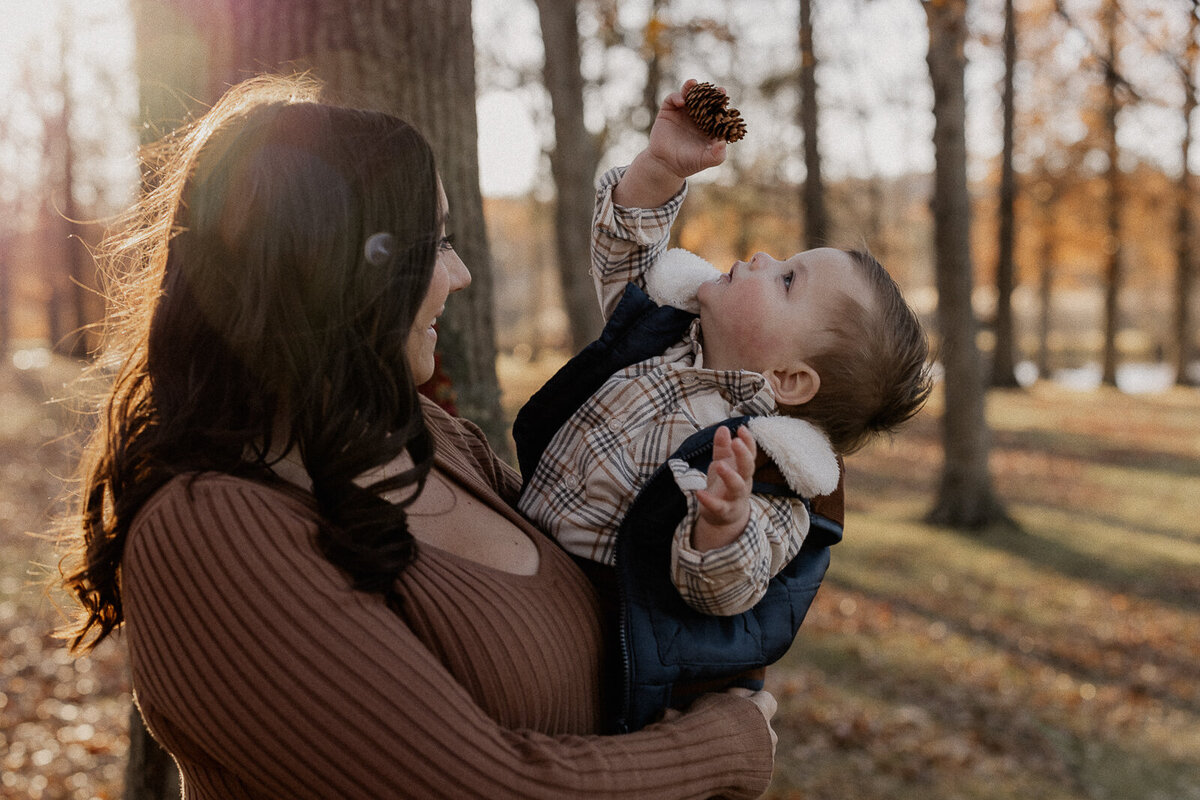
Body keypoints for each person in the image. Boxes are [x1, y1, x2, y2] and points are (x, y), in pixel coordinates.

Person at [56, 74, 777, 799]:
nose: (460, 275)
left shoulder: (431, 438)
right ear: (332, 270)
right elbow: (477, 787)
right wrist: (723, 746)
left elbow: (614, 534)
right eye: (433, 243)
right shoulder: (209, 534)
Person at [515, 80, 931, 731]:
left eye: (787, 280)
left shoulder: (767, 475)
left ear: (791, 379)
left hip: (585, 636)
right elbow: (626, 247)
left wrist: (723, 525)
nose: (764, 258)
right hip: (521, 548)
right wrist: (660, 166)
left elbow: (727, 590)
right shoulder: (670, 330)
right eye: (786, 260)